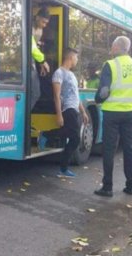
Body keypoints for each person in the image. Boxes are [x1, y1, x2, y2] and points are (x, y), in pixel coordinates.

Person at [94, 36, 132, 197]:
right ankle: (131, 185)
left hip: (111, 113)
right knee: (129, 149)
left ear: (118, 48)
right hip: (130, 113)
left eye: (112, 46)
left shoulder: (110, 65)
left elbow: (104, 91)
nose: (111, 49)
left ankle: (107, 187)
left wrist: (97, 100)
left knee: (109, 149)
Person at [37, 47, 89, 177]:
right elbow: (56, 95)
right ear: (70, 58)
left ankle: (46, 136)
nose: (77, 60)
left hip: (75, 109)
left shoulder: (72, 75)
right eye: (76, 57)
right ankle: (63, 168)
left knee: (71, 136)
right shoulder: (59, 73)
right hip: (68, 109)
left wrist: (83, 112)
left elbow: (76, 96)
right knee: (75, 138)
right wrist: (59, 114)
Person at [31, 7, 51, 110]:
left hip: (32, 61)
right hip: (23, 60)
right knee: (35, 92)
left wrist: (40, 64)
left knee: (36, 93)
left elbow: (36, 48)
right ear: (37, 17)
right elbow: (31, 47)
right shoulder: (28, 25)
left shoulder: (40, 30)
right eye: (43, 22)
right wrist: (42, 61)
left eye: (46, 23)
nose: (44, 25)